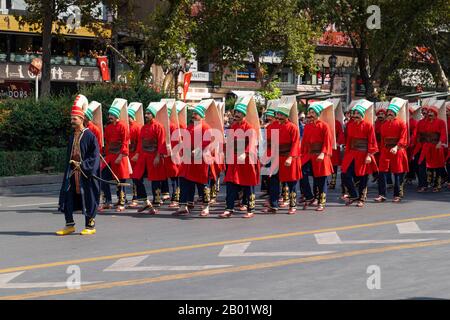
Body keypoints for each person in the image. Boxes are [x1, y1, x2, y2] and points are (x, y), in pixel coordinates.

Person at [57, 97, 100, 236]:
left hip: (85, 173)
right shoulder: (72, 136)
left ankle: (90, 225)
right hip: (72, 172)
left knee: (88, 197)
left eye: (74, 119)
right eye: (71, 118)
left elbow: (94, 156)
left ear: (81, 119)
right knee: (67, 196)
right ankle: (69, 225)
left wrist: (83, 165)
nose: (72, 121)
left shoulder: (90, 136)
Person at [220, 99, 260, 219]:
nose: (236, 114)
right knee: (231, 185)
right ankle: (229, 208)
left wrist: (246, 153)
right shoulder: (233, 127)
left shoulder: (249, 128)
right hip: (234, 160)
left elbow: (252, 142)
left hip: (246, 161)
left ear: (243, 115)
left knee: (248, 186)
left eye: (238, 112)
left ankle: (250, 208)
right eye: (235, 112)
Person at [175, 103, 213, 217]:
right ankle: (183, 206)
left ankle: (206, 206)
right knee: (184, 182)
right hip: (188, 160)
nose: (194, 115)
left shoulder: (206, 127)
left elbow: (207, 142)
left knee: (202, 184)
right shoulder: (190, 127)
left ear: (201, 116)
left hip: (200, 160)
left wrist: (197, 151)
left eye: (196, 114)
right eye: (193, 113)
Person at [263, 103, 302, 215]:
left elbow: (295, 144)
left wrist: (290, 157)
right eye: (278, 114)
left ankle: (292, 205)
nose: (278, 116)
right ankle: (273, 205)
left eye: (281, 114)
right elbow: (269, 144)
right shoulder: (271, 126)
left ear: (286, 115)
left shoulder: (293, 127)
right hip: (276, 158)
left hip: (289, 158)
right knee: (273, 182)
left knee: (291, 183)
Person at [132, 103, 168, 214]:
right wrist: (137, 154)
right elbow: (140, 143)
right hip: (143, 157)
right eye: (145, 113)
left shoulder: (159, 126)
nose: (146, 115)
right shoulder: (143, 128)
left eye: (148, 113)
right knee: (136, 177)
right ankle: (145, 201)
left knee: (155, 181)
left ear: (153, 115)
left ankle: (156, 204)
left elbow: (162, 143)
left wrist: (158, 156)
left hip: (154, 156)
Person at [341, 101, 378, 208]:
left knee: (363, 177)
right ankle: (353, 195)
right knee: (345, 174)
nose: (355, 117)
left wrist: (369, 155)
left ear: (362, 116)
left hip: (363, 154)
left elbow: (372, 141)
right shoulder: (349, 125)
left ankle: (361, 198)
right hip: (351, 153)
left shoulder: (368, 126)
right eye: (354, 115)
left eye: (358, 116)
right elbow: (347, 138)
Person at [300, 102, 334, 212]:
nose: (310, 114)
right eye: (309, 112)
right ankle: (309, 197)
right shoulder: (307, 126)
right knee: (301, 173)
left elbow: (327, 142)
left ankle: (321, 202)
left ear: (318, 114)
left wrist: (323, 153)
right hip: (309, 155)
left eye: (313, 112)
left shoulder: (325, 126)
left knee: (321, 180)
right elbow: (304, 142)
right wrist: (301, 155)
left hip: (321, 155)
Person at [374, 99, 409, 203]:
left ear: (395, 114)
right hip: (385, 150)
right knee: (382, 173)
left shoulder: (402, 124)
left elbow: (403, 138)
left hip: (397, 151)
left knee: (397, 173)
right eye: (388, 113)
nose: (389, 114)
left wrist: (396, 147)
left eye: (391, 113)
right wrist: (379, 150)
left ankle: (397, 195)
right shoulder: (383, 125)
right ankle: (382, 194)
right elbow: (382, 139)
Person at [100, 99, 131, 212]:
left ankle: (122, 201)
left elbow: (125, 142)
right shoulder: (108, 128)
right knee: (103, 177)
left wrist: (121, 156)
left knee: (120, 179)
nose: (110, 116)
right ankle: (107, 200)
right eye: (109, 114)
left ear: (116, 115)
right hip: (110, 155)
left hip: (120, 156)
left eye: (112, 114)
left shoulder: (123, 126)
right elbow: (107, 142)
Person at [416, 102, 448, 192]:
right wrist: (418, 141)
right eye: (427, 112)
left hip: (436, 147)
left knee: (437, 166)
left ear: (435, 113)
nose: (429, 114)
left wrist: (440, 142)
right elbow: (419, 134)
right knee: (421, 165)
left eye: (431, 112)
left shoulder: (441, 122)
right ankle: (423, 185)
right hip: (425, 147)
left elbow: (443, 134)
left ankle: (437, 185)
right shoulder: (422, 123)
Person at [127, 103, 144, 208]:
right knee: (133, 178)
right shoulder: (126, 127)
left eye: (129, 116)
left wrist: (137, 154)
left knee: (137, 177)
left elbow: (140, 142)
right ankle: (136, 197)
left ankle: (137, 198)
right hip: (129, 156)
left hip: (137, 156)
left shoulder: (138, 127)